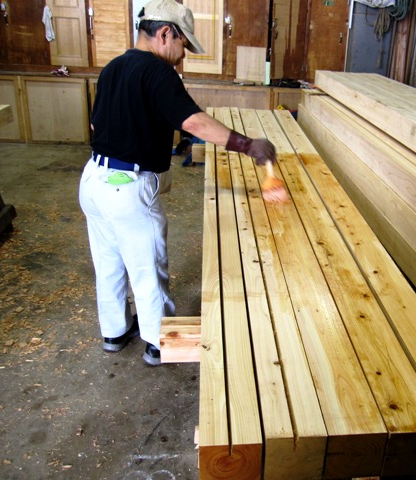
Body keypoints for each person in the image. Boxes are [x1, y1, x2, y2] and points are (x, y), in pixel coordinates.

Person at [79, 0, 276, 366]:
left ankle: (115, 333)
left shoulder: (113, 68)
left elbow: (96, 124)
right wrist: (248, 145)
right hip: (128, 187)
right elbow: (194, 122)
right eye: (183, 44)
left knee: (108, 262)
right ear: (165, 33)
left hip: (93, 179)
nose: (182, 55)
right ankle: (159, 343)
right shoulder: (157, 71)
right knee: (147, 268)